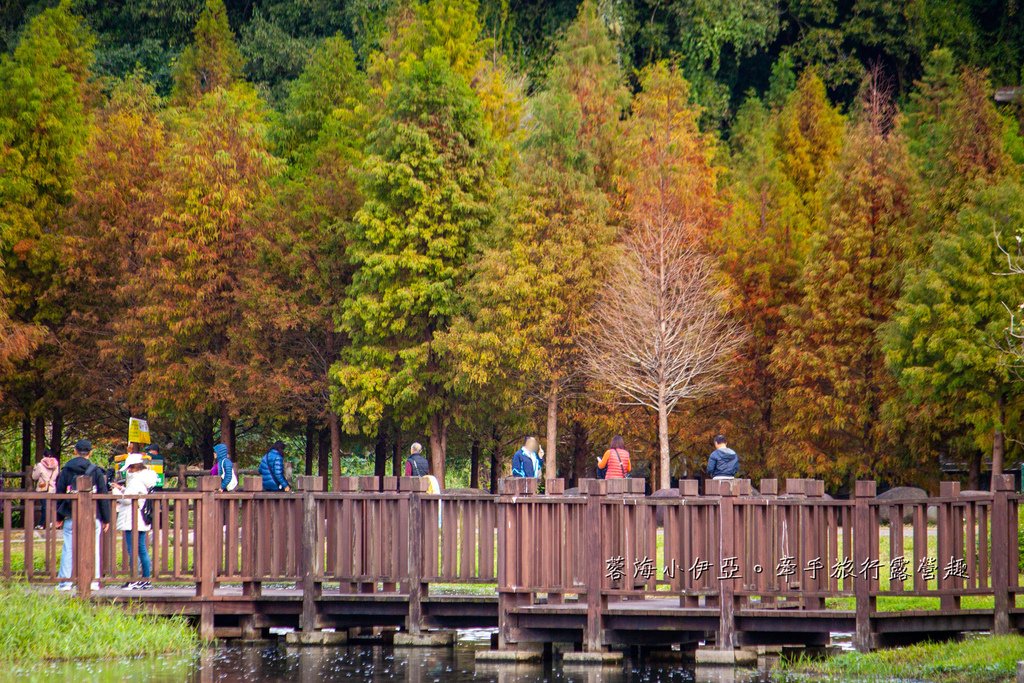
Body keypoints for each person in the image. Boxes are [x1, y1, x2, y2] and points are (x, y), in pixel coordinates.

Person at [54, 439, 111, 591]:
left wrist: (58, 517)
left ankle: (65, 582)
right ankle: (93, 581)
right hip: (93, 516)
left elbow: (59, 494)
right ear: (90, 452)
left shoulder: (66, 470)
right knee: (94, 548)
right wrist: (106, 518)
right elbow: (103, 495)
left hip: (71, 514)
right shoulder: (96, 471)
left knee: (68, 547)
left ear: (75, 451)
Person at [113, 453, 157, 590]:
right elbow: (135, 494)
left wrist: (115, 492)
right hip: (141, 517)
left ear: (133, 467)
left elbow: (127, 499)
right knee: (142, 549)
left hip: (131, 518)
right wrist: (122, 489)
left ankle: (134, 580)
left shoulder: (135, 480)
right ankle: (146, 579)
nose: (128, 471)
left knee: (132, 550)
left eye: (129, 468)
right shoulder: (145, 478)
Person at [31, 449, 59, 527]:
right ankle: (51, 522)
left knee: (44, 506)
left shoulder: (40, 465)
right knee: (52, 506)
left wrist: (34, 469)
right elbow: (55, 475)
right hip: (52, 487)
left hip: (43, 488)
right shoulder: (56, 465)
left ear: (44, 456)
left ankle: (41, 524)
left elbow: (34, 477)